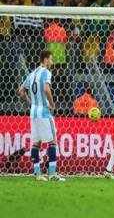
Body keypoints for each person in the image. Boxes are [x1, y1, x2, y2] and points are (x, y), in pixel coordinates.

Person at [18, 50, 65, 181]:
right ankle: (52, 174)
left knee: (36, 143)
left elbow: (21, 91)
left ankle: (38, 174)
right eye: (51, 59)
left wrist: (30, 103)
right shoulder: (46, 72)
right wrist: (52, 104)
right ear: (45, 60)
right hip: (44, 112)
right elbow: (46, 89)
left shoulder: (32, 74)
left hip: (33, 113)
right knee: (52, 142)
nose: (52, 62)